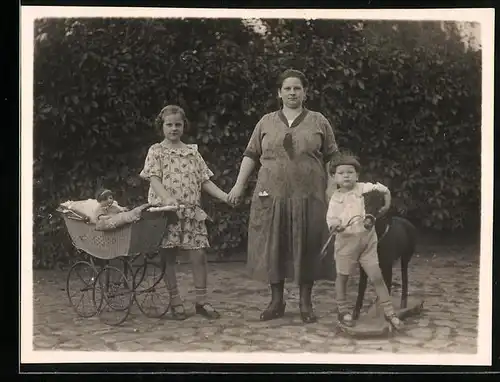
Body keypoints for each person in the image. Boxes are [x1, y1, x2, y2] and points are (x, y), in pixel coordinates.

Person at [228, 69, 338, 323]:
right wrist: (238, 186)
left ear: (305, 92)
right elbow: (251, 154)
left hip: (309, 195)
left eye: (297, 88)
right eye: (287, 88)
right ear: (279, 93)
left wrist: (332, 188)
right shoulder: (266, 122)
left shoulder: (319, 121)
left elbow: (333, 157)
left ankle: (305, 303)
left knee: (307, 244)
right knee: (273, 245)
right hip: (272, 194)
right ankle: (276, 301)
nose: (292, 93)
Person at [139, 104, 230, 320]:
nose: (173, 129)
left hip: (191, 212)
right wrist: (166, 198)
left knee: (198, 254)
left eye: (178, 124)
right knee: (169, 255)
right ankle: (175, 300)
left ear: (184, 126)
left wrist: (224, 196)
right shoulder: (156, 151)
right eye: (169, 125)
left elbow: (204, 180)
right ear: (161, 126)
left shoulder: (192, 153)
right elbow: (154, 178)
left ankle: (201, 301)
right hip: (167, 212)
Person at [326, 154, 404, 330]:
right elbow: (331, 219)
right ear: (334, 177)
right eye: (341, 173)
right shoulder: (336, 199)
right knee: (343, 276)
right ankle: (342, 309)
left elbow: (384, 190)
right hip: (346, 243)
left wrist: (386, 205)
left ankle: (390, 312)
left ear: (357, 175)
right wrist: (336, 225)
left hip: (367, 242)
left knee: (376, 276)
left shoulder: (364, 189)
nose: (346, 176)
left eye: (350, 172)